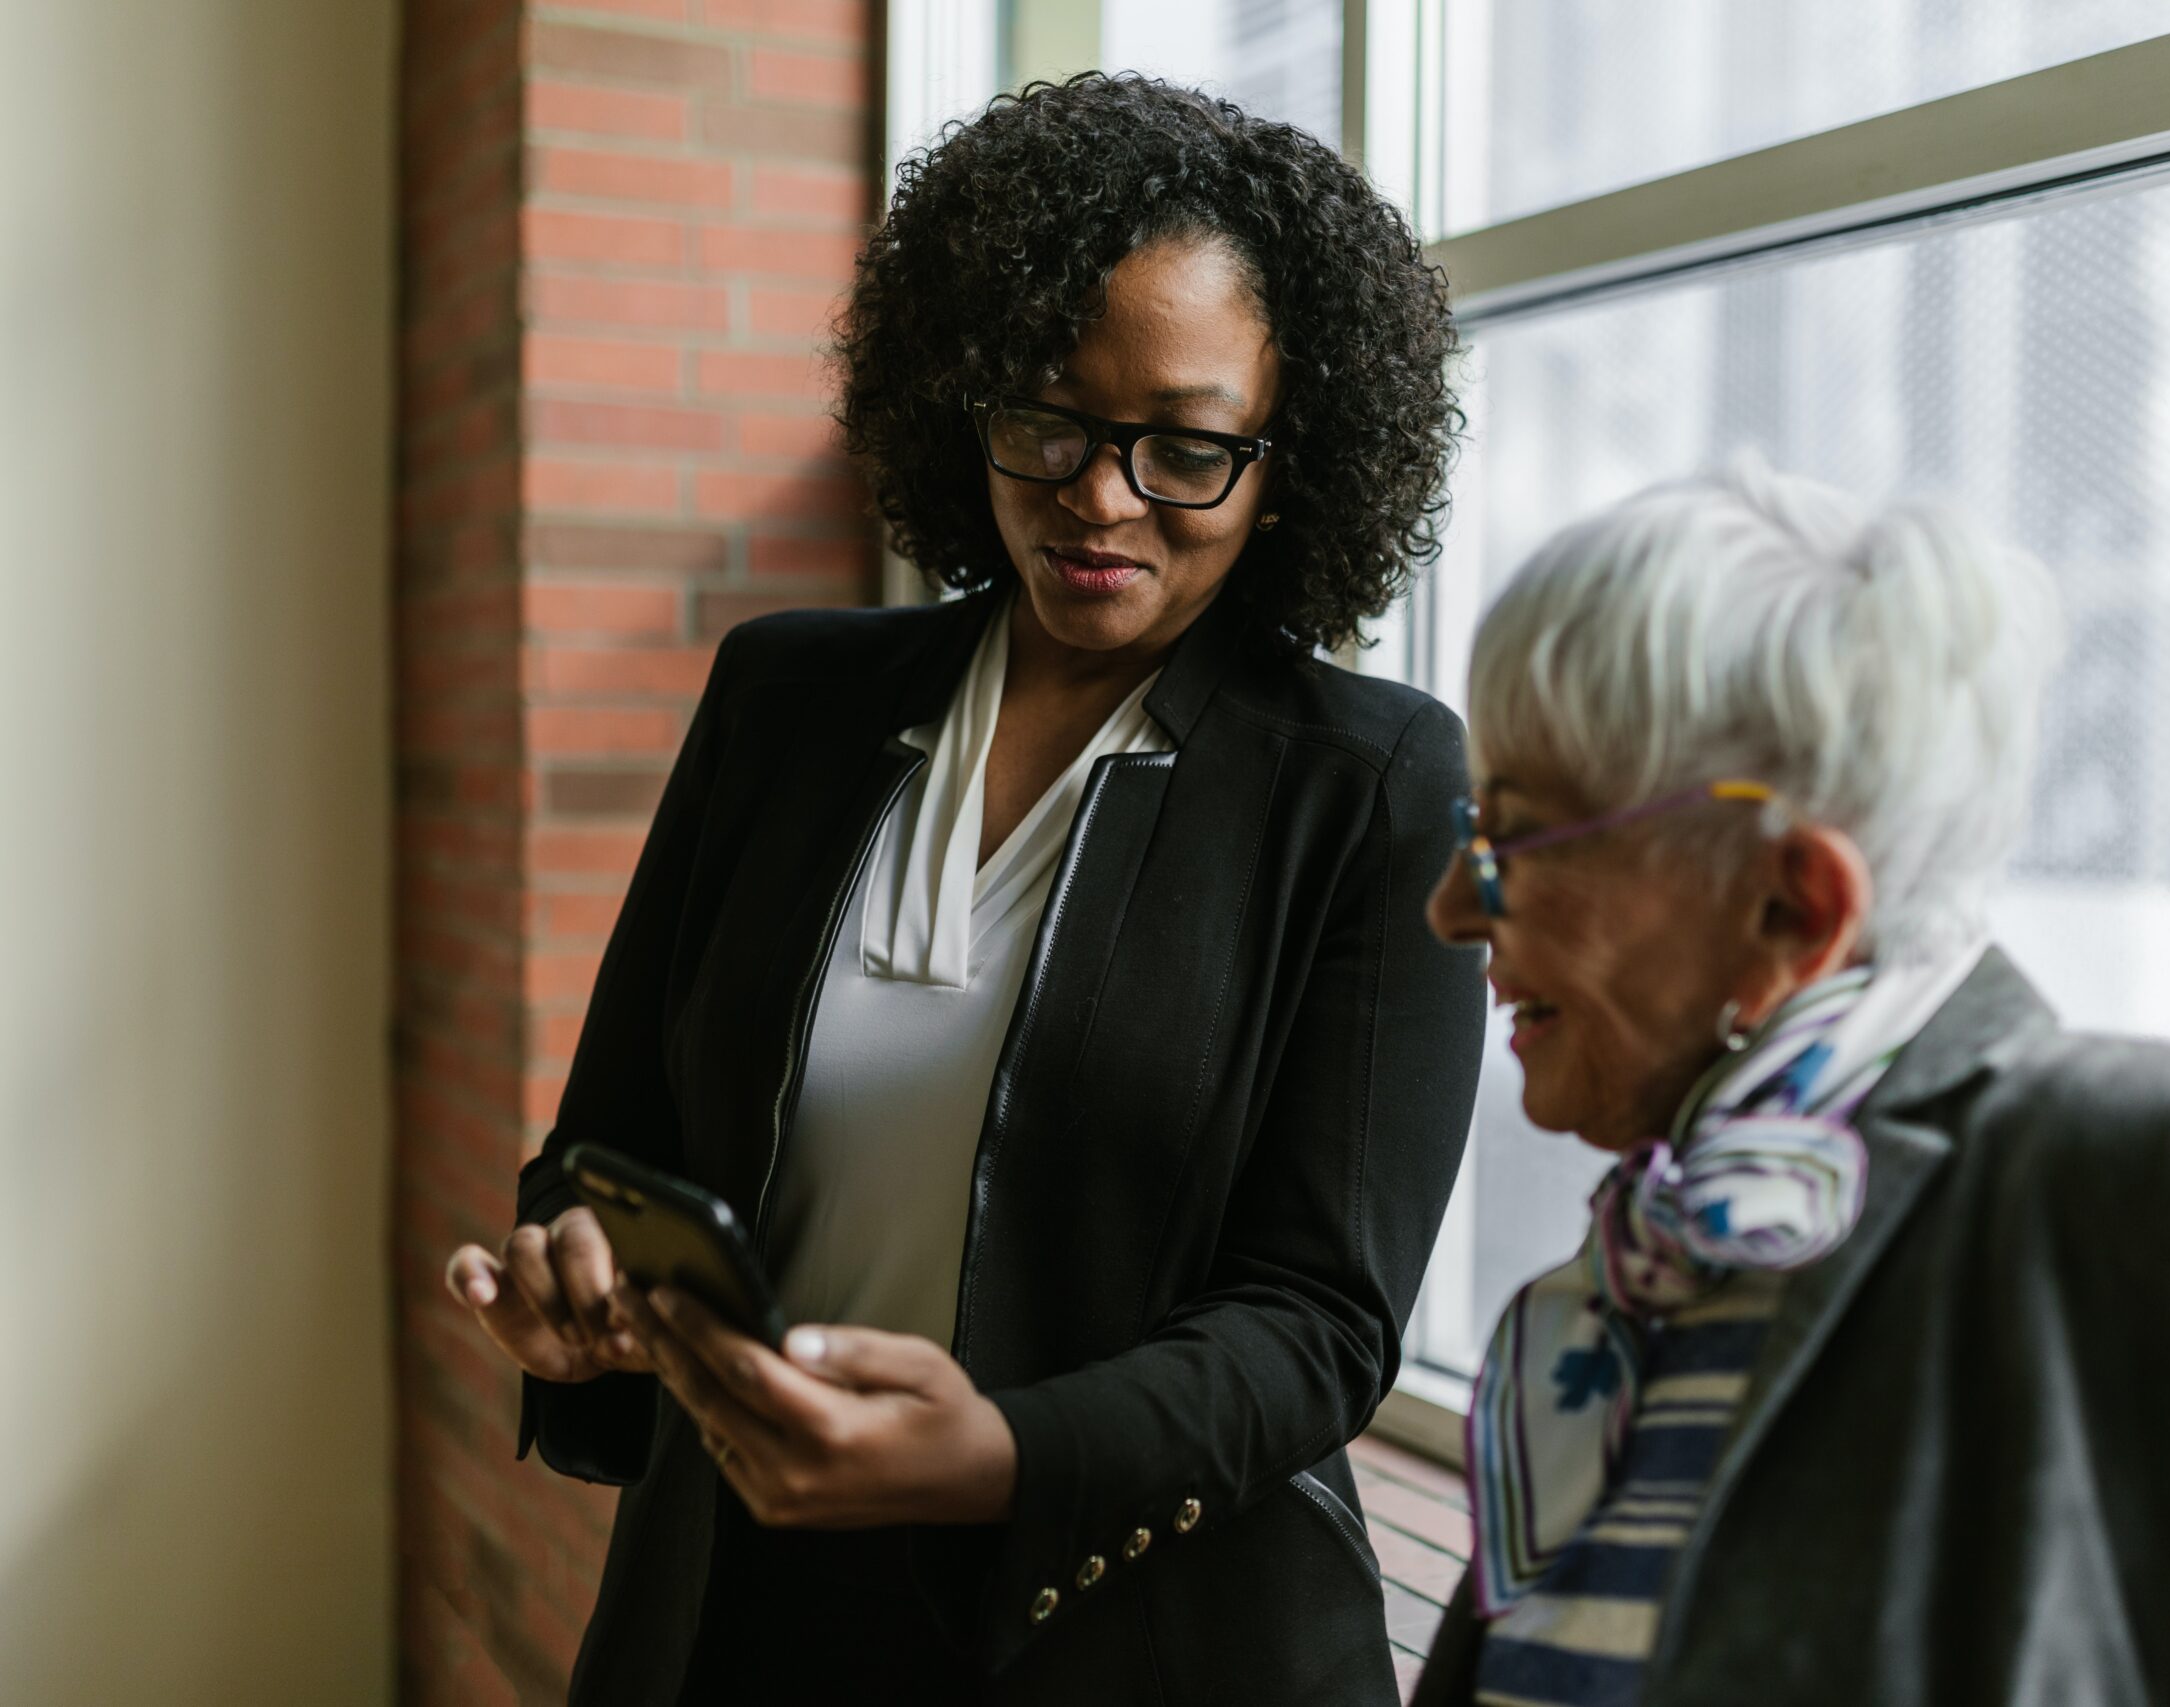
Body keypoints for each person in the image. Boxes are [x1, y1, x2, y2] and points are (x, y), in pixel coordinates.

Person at [441, 74, 1484, 1706]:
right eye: (1048, 420)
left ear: (1292, 462)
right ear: (960, 394)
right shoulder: (787, 700)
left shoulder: (1368, 778)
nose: (1101, 494)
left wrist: (994, 1453)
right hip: (734, 1612)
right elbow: (610, 1138)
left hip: (1139, 1638)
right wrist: (574, 1270)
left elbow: (1321, 1323)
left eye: (1188, 448)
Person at [1412, 461, 2170, 1705]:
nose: (1444, 909)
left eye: (1508, 840)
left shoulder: (2166, 1192)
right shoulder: (1649, 1260)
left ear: (1795, 902)